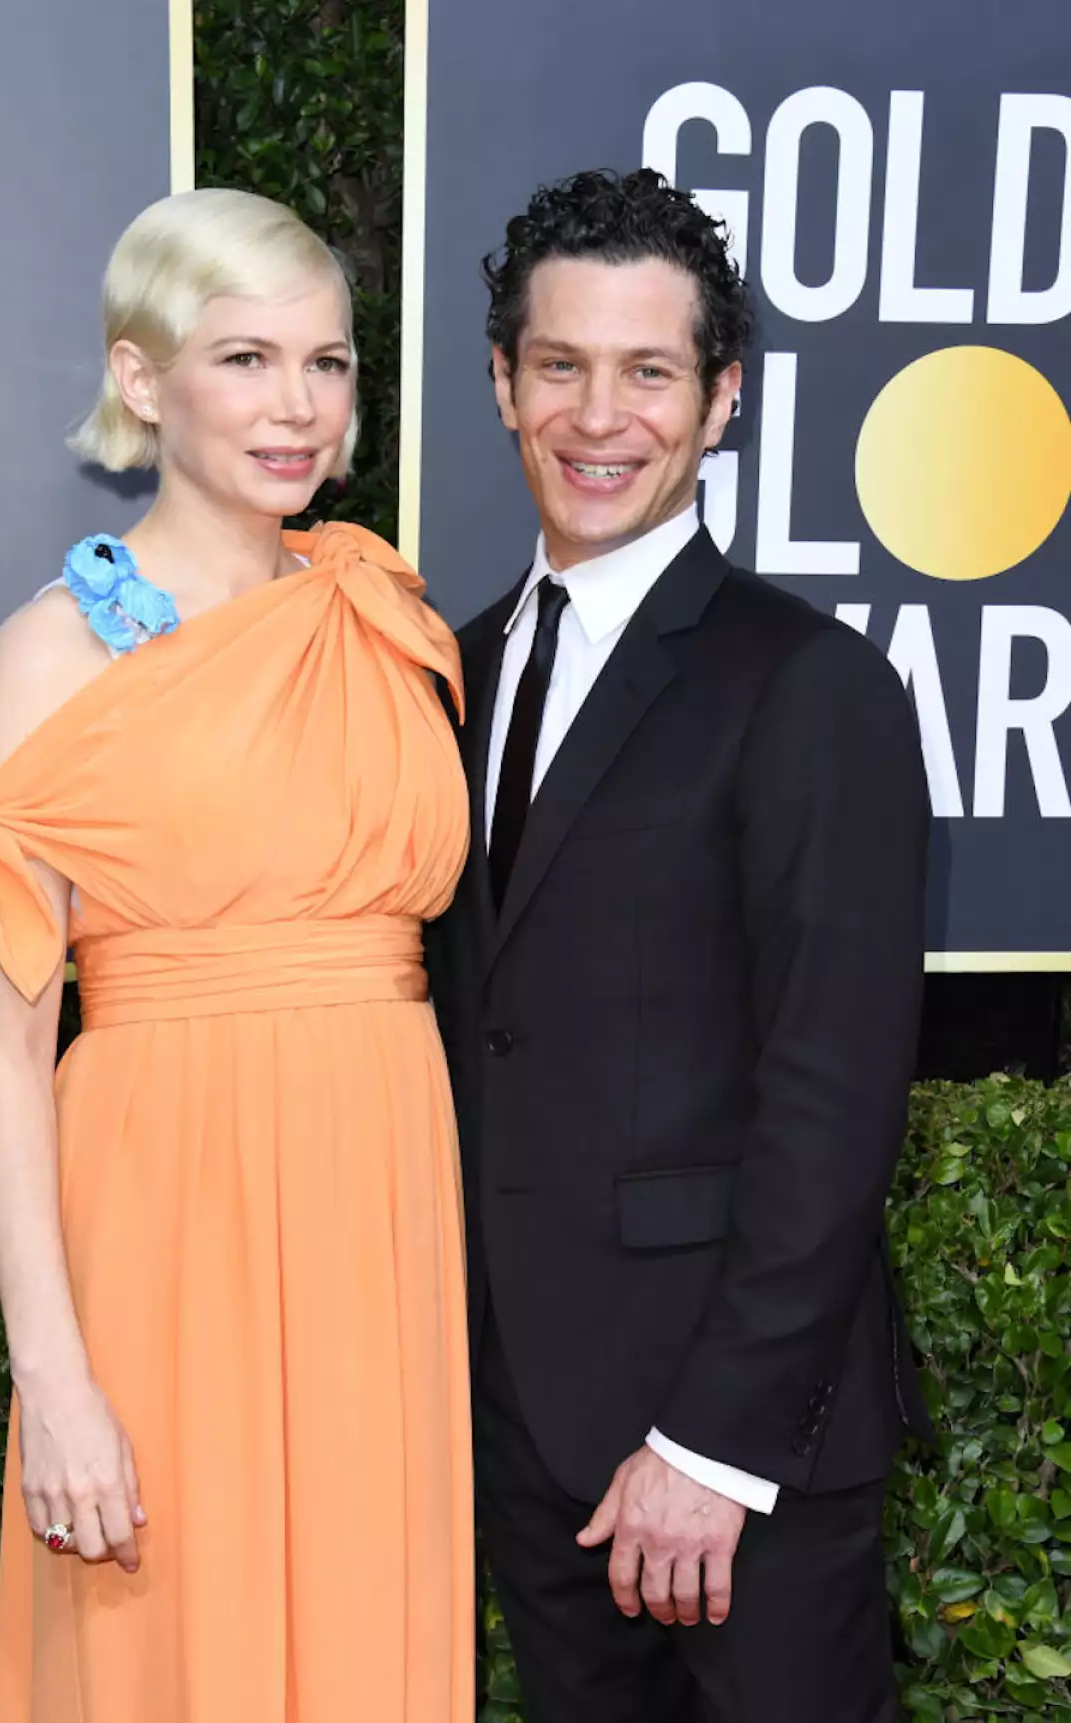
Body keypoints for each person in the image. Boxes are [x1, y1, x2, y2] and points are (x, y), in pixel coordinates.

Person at [0, 188, 474, 1723]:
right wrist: (54, 1380)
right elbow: (4, 1052)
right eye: (247, 358)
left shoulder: (382, 609)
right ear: (143, 381)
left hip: (377, 1220)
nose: (299, 406)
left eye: (329, 363)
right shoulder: (48, 658)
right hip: (165, 1224)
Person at [425, 168, 933, 1723]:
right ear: (503, 381)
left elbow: (834, 1097)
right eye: (561, 364)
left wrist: (713, 1451)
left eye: (649, 371)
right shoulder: (444, 673)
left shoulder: (809, 688)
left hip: (736, 1457)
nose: (600, 415)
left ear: (721, 402)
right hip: (523, 1424)